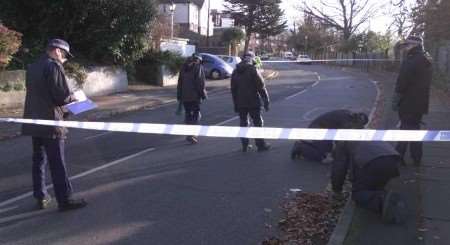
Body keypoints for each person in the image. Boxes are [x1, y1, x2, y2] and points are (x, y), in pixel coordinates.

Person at [21, 39, 87, 211]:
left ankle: (41, 196)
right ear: (58, 51)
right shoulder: (54, 66)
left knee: (39, 160)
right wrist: (77, 99)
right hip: (51, 121)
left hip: (33, 120)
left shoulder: (33, 67)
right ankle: (65, 200)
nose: (64, 58)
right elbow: (61, 97)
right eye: (64, 54)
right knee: (57, 161)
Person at [331, 140, 406, 224]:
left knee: (358, 194)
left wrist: (336, 190)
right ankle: (383, 196)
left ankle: (382, 200)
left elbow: (339, 168)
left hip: (372, 162)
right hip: (392, 161)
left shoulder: (342, 143)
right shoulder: (364, 133)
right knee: (372, 186)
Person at [392, 35, 432, 166]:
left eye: (407, 45)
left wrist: (396, 100)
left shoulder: (411, 60)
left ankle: (398, 156)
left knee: (405, 129)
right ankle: (416, 157)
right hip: (420, 102)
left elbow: (402, 82)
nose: (405, 48)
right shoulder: (425, 59)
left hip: (408, 101)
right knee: (414, 129)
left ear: (413, 46)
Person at [291, 110, 369, 162]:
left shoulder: (349, 116)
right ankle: (300, 147)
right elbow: (341, 140)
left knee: (329, 150)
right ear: (357, 122)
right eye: (359, 126)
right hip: (317, 130)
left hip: (325, 130)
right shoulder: (346, 122)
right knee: (322, 157)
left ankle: (305, 144)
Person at [231, 51, 271, 152]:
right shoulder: (253, 70)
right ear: (252, 59)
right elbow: (261, 87)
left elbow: (233, 90)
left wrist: (235, 104)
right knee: (258, 122)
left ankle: (245, 145)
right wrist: (266, 100)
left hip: (240, 102)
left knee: (243, 123)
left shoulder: (235, 71)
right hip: (253, 101)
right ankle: (260, 145)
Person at [177, 54, 207, 144]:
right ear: (198, 60)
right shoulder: (198, 68)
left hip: (185, 96)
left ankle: (189, 133)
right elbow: (200, 83)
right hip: (195, 96)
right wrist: (203, 95)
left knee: (188, 114)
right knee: (196, 115)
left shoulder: (183, 68)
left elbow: (180, 83)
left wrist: (179, 95)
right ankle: (191, 135)